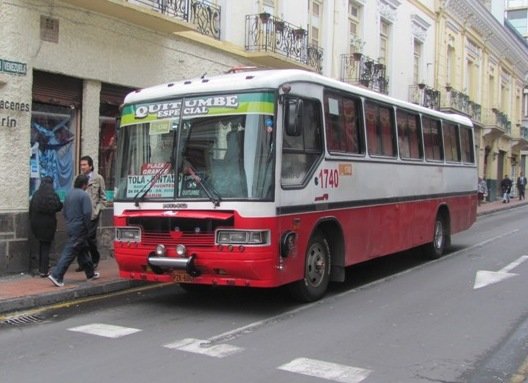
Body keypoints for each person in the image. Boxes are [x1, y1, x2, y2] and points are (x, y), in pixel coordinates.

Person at [48, 175, 100, 287]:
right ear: (84, 185)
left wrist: (70, 222)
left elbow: (64, 212)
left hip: (71, 226)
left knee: (83, 249)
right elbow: (87, 213)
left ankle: (90, 273)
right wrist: (87, 226)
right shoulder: (84, 195)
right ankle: (57, 275)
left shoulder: (69, 194)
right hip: (80, 227)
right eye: (87, 184)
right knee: (70, 251)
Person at [75, 155, 106, 271]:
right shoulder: (78, 178)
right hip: (81, 214)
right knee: (80, 239)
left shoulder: (98, 178)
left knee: (89, 239)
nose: (82, 167)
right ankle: (83, 263)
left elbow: (103, 198)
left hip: (92, 215)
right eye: (81, 165)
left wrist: (97, 210)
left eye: (84, 165)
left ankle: (94, 259)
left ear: (90, 166)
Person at [29, 176, 63, 277]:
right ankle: (43, 271)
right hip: (49, 225)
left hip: (36, 225)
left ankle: (39, 267)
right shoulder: (53, 196)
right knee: (46, 247)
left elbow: (31, 209)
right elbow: (59, 207)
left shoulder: (36, 195)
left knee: (40, 245)